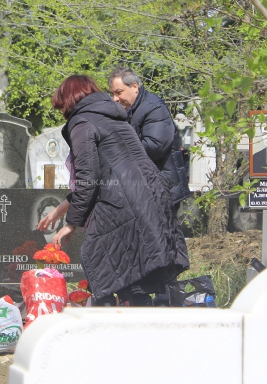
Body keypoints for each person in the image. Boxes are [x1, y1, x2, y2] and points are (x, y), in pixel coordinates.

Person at [45, 75, 189, 306]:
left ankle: (111, 331)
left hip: (123, 206)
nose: (62, 111)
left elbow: (88, 177)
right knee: (135, 277)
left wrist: (71, 224)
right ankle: (143, 332)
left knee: (103, 265)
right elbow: (108, 173)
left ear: (69, 99)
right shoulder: (114, 117)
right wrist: (61, 211)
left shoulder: (82, 123)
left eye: (61, 105)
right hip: (151, 198)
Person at [108, 67, 190, 206]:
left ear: (134, 86)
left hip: (161, 192)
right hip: (146, 190)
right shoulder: (130, 110)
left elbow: (154, 146)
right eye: (112, 94)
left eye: (119, 92)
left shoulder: (154, 107)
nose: (115, 99)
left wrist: (117, 149)